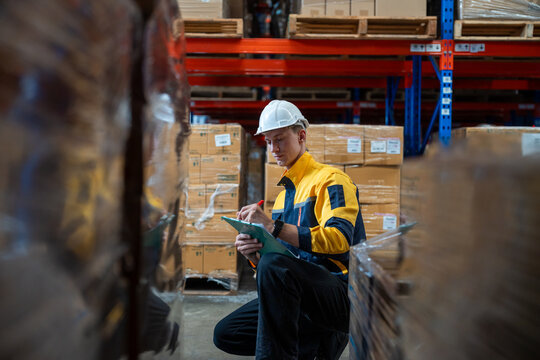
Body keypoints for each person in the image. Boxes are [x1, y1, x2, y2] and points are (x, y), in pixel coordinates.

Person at [213, 100, 366, 359]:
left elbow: (340, 239)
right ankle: (307, 344)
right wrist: (254, 257)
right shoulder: (284, 198)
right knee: (227, 332)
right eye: (269, 141)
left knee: (274, 267)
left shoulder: (332, 180)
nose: (274, 148)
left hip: (339, 295)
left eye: (280, 139)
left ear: (301, 136)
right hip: (300, 294)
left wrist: (274, 226)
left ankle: (312, 341)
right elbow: (284, 259)